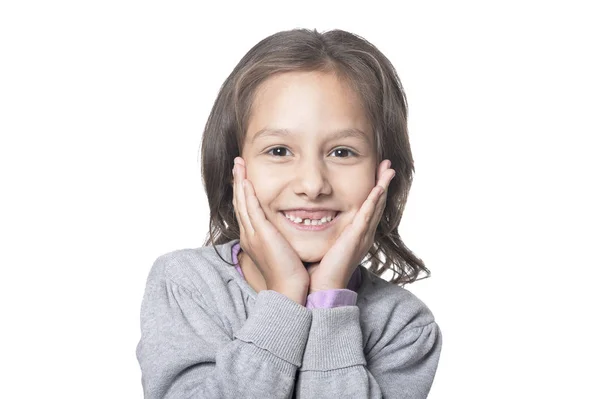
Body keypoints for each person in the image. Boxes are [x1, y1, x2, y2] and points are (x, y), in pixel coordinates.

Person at [136, 28, 442, 398]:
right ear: (235, 166)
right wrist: (284, 297)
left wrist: (329, 301)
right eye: (279, 151)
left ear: (384, 173)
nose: (312, 184)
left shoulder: (403, 326)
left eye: (342, 152)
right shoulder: (187, 285)